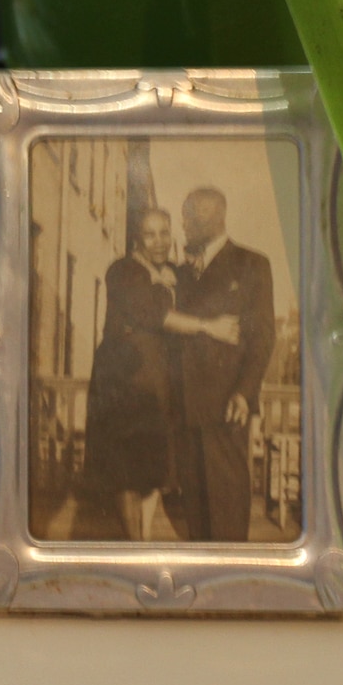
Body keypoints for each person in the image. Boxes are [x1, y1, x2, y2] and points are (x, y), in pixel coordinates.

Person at [84, 208, 238, 540]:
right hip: (124, 380)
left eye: (165, 233)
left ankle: (143, 541)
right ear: (137, 238)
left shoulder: (171, 274)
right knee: (126, 470)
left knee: (155, 467)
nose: (159, 242)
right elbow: (157, 316)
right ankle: (133, 543)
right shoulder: (122, 271)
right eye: (150, 234)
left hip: (158, 382)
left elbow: (200, 294)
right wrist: (209, 327)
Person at [169, 187, 275, 542]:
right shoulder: (182, 273)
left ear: (212, 216)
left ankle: (232, 576)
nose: (183, 224)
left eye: (188, 216)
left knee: (227, 499)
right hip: (185, 403)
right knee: (194, 504)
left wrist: (245, 394)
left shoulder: (252, 264)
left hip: (226, 403)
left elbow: (262, 339)